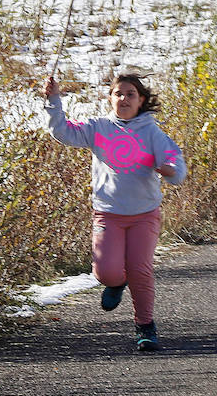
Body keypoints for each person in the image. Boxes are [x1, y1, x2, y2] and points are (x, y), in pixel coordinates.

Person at [42, 72, 186, 352]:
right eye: (118, 93)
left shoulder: (152, 133)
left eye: (130, 94)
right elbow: (62, 132)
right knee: (106, 273)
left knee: (140, 271)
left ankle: (145, 326)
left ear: (141, 100)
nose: (124, 98)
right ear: (110, 98)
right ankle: (116, 283)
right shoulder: (98, 127)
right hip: (108, 213)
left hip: (144, 213)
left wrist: (170, 171)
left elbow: (174, 161)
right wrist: (53, 99)